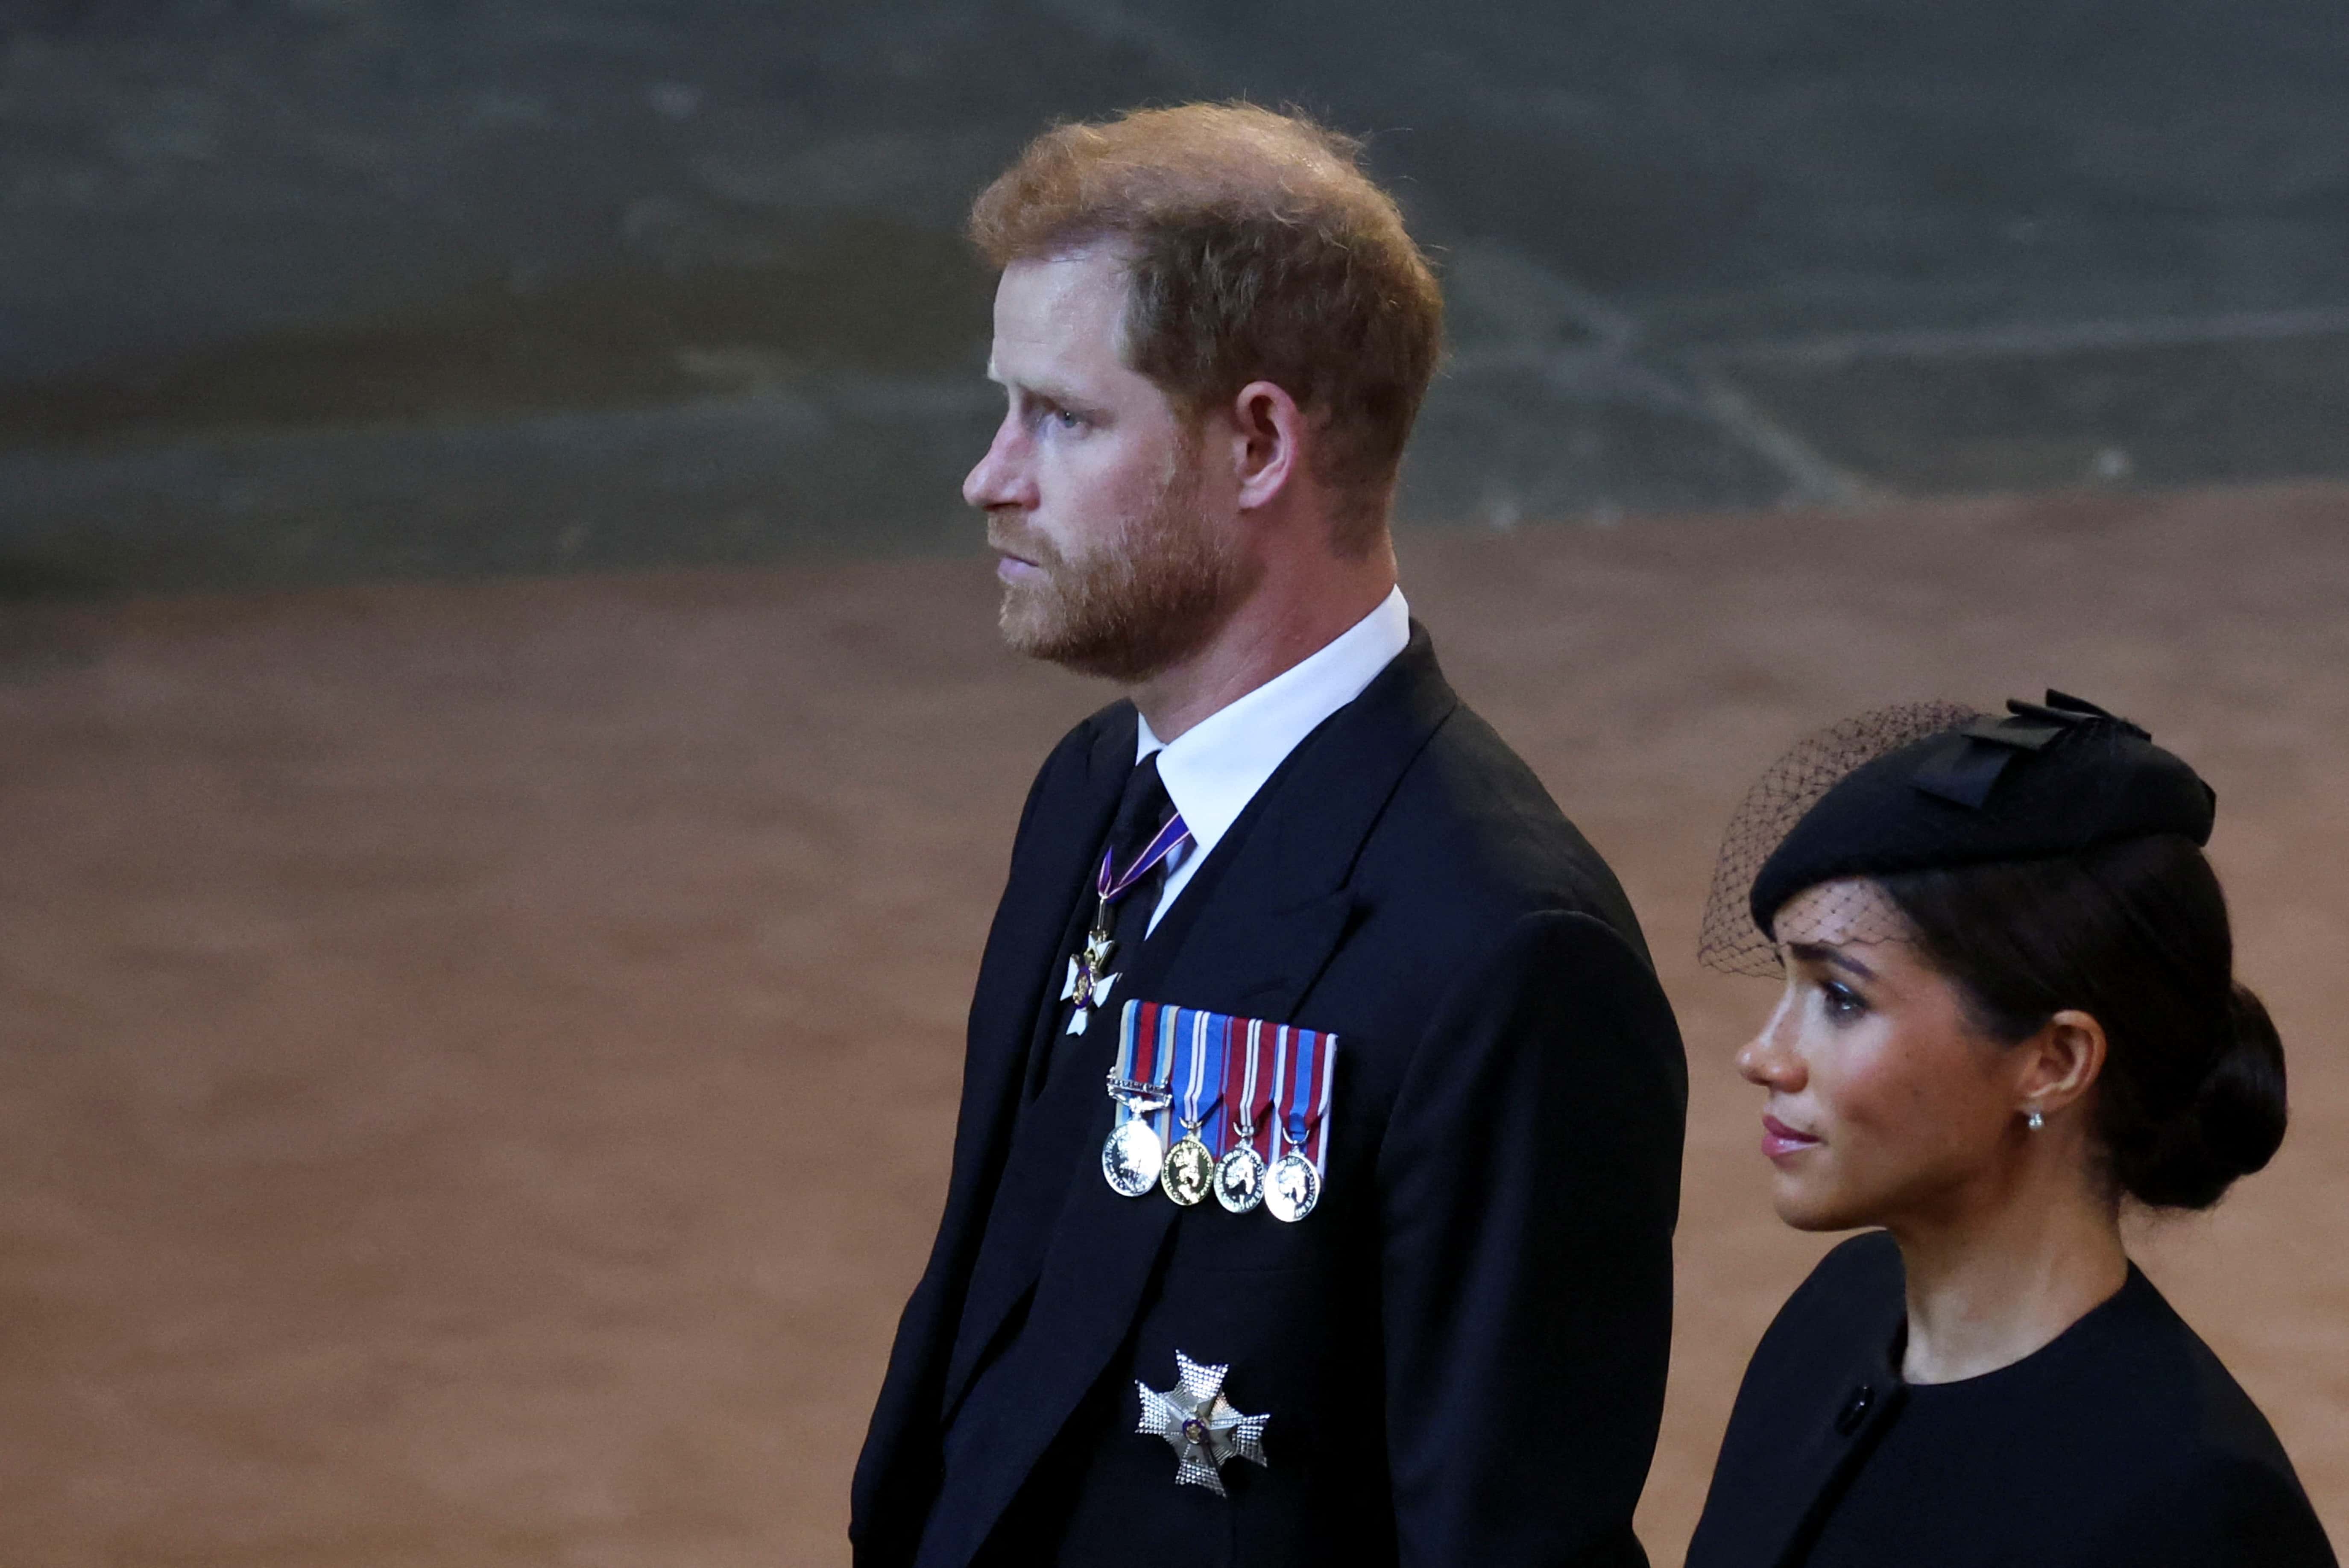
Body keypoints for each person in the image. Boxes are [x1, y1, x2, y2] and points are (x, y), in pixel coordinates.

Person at [850, 104, 1687, 1568]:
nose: (993, 475)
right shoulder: (1093, 797)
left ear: (1256, 444)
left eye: (1063, 415)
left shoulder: (1504, 956)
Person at [1684, 693, 2337, 1568]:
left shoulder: (2192, 1512)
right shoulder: (1835, 1316)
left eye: (1840, 999)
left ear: (2054, 1061)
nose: (1762, 1055)